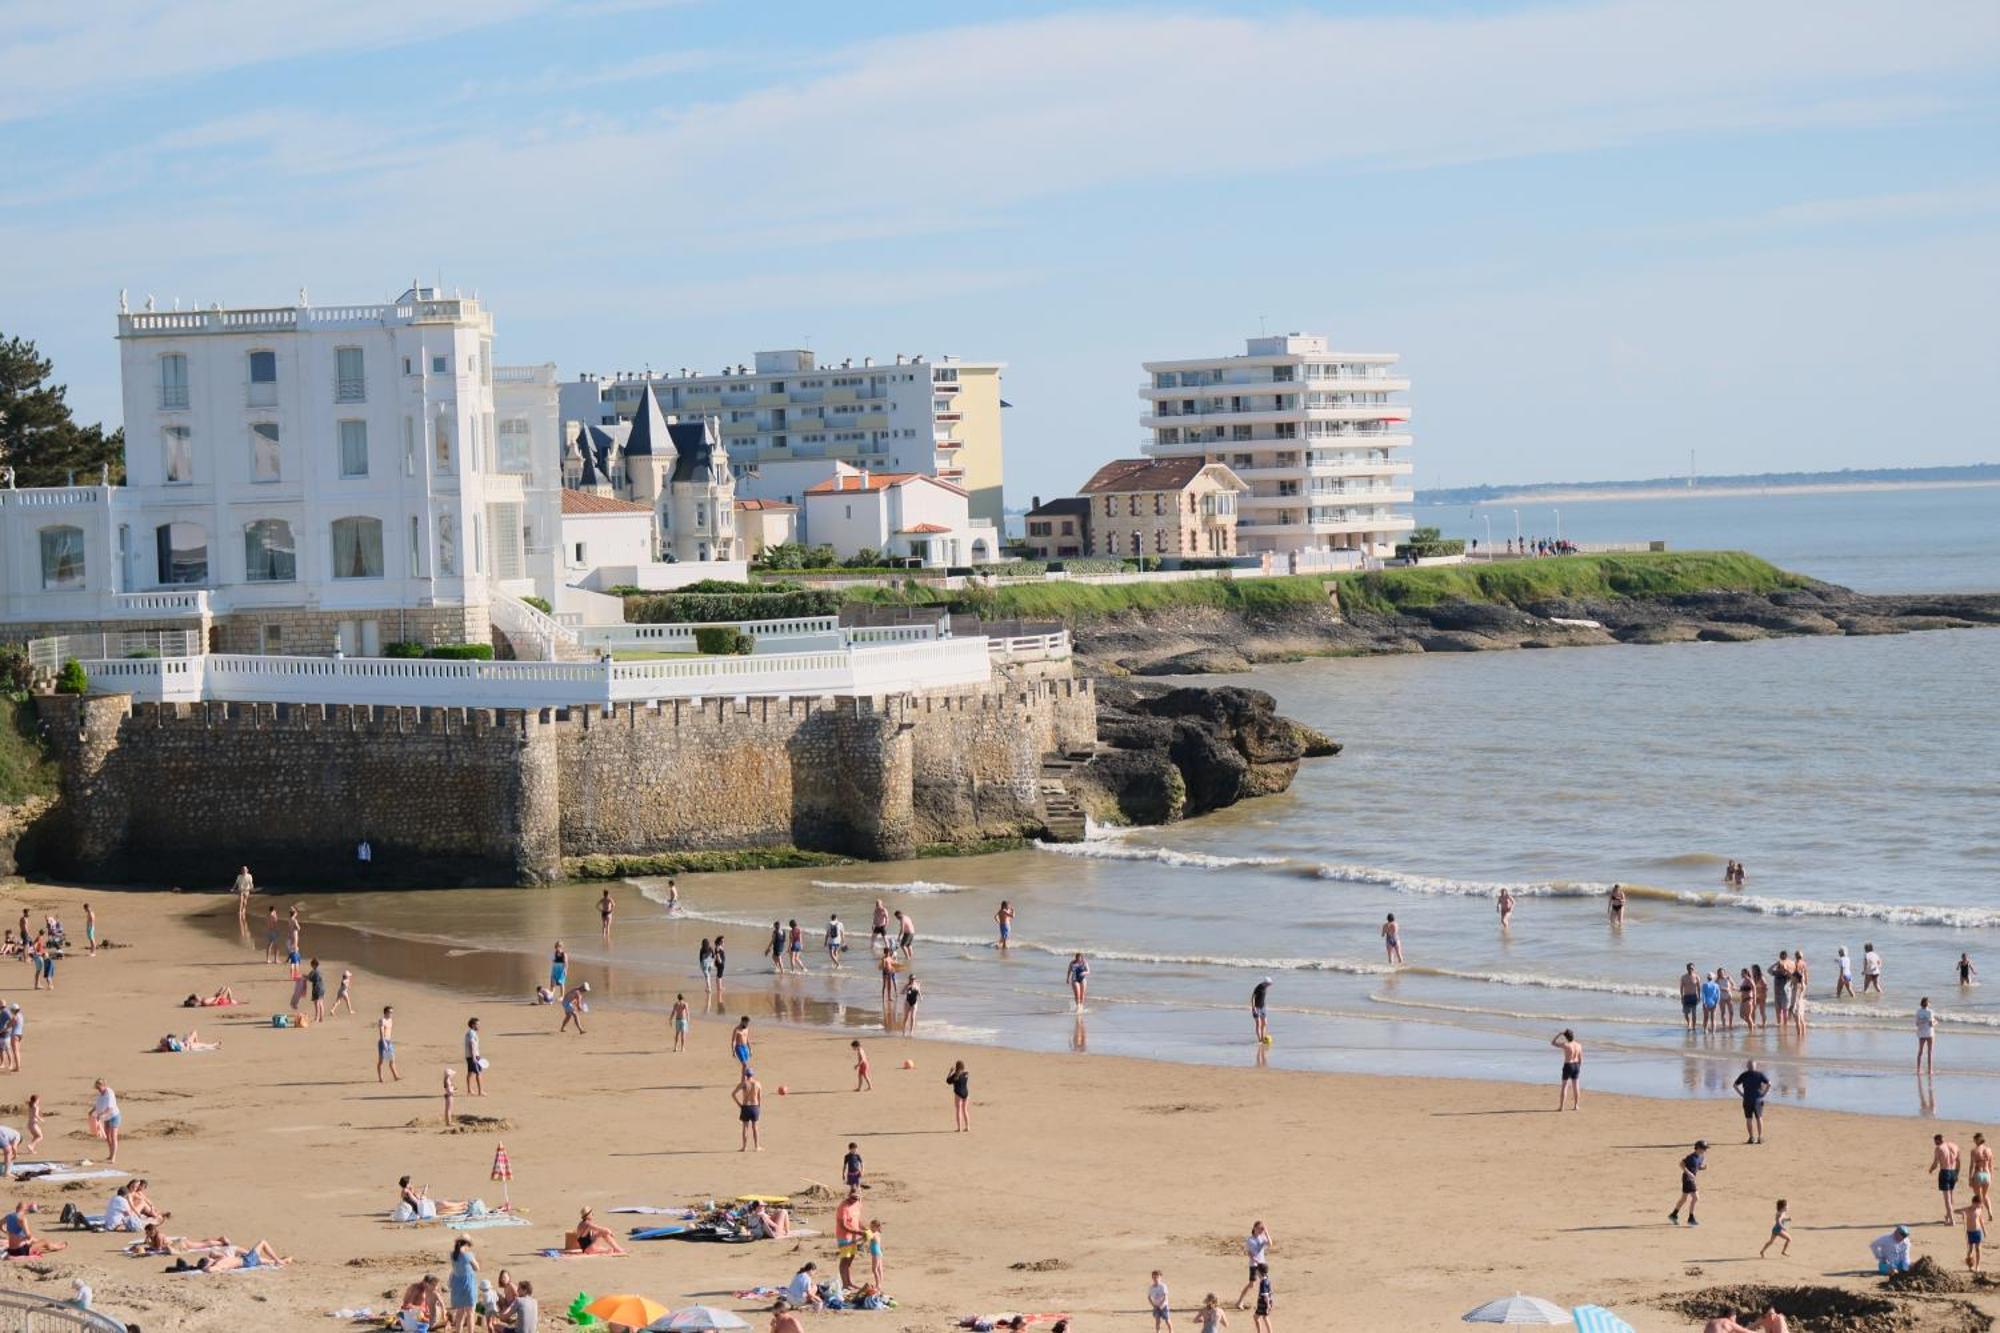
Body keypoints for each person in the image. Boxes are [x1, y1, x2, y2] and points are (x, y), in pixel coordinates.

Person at [1669, 1140, 1707, 1226]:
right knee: (1696, 1198)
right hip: (1687, 1179)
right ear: (1698, 1148)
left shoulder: (1701, 1157)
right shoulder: (1691, 1157)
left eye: (1705, 1149)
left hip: (1690, 1179)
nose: (1705, 1151)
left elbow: (1697, 1167)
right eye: (1703, 1149)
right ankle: (1691, 1218)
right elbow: (1681, 1164)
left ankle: (1673, 1215)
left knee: (1684, 1199)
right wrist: (1689, 1173)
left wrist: (1702, 1167)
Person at [1236, 1221, 1272, 1310]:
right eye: (1260, 1228)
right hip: (1254, 1265)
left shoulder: (1262, 1237)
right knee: (1252, 1284)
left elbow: (1270, 1244)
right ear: (1254, 1228)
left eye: (1262, 1228)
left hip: (1262, 1263)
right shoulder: (1250, 1240)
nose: (1261, 1230)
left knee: (1265, 1282)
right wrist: (1254, 1259)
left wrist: (1266, 1233)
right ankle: (1239, 1301)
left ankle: (1267, 1302)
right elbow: (1249, 1252)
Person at [1734, 1059, 1771, 1143]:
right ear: (1755, 1066)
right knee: (1759, 1118)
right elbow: (1769, 1084)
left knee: (1749, 1118)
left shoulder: (1744, 1075)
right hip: (1757, 1099)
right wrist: (1764, 1093)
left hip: (1747, 1099)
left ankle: (1751, 1137)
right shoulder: (1760, 1074)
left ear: (1747, 1066)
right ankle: (1760, 1137)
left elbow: (1735, 1085)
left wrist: (1741, 1094)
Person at [447, 1236, 479, 1332]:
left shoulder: (452, 1254)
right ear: (466, 1244)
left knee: (460, 1314)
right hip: (468, 1284)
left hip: (457, 1285)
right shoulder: (468, 1255)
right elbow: (477, 1268)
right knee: (470, 1313)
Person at [835, 1188, 865, 1288]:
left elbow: (857, 1219)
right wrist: (858, 1232)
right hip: (844, 1237)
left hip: (854, 1237)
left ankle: (849, 1282)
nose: (854, 1200)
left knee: (851, 1258)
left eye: (856, 1198)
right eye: (852, 1198)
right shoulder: (843, 1207)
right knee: (845, 1259)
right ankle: (845, 1284)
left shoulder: (858, 1204)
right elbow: (843, 1225)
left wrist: (865, 1229)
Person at [89, 1079, 121, 1162]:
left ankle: (113, 1157)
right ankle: (110, 1155)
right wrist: (92, 1111)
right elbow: (98, 1105)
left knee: (113, 1136)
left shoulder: (109, 1094)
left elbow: (110, 1109)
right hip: (107, 1118)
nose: (98, 1090)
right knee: (108, 1137)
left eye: (99, 1088)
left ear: (104, 1086)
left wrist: (101, 1115)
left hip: (114, 1116)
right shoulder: (100, 1095)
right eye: (97, 1088)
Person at [1933, 1133, 1962, 1224]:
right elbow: (1959, 1161)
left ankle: (1952, 1220)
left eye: (1935, 1141)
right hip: (1953, 1171)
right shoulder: (1954, 1146)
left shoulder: (1939, 1148)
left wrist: (1930, 1169)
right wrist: (1957, 1173)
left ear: (1938, 1140)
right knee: (1951, 1195)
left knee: (1947, 1198)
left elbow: (1935, 1163)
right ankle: (1948, 1216)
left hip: (1945, 1172)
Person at [1551, 1029, 1582, 1111]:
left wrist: (1559, 1034)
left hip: (1568, 1065)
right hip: (1576, 1065)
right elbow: (1580, 1058)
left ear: (1566, 1037)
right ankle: (1576, 1106)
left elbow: (1553, 1042)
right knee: (1576, 1086)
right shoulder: (1579, 1045)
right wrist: (1579, 1067)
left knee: (1565, 1086)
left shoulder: (1566, 1045)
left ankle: (1561, 1107)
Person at [735, 1070, 764, 1151]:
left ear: (746, 1075)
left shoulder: (744, 1083)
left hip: (745, 1106)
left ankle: (744, 1147)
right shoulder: (757, 1084)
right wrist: (759, 1107)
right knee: (755, 1127)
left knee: (745, 1127)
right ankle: (757, 1146)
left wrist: (739, 1104)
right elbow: (759, 1097)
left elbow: (733, 1094)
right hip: (755, 1106)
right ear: (753, 1075)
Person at [1960, 1198, 1989, 1272]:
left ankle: (1978, 1266)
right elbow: (1955, 1211)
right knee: (1970, 1250)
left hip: (1978, 1231)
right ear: (1973, 1203)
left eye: (1979, 1204)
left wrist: (1984, 1230)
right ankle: (1970, 1265)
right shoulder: (1967, 1209)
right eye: (1977, 1204)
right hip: (1970, 1232)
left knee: (1978, 1249)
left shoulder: (1979, 1210)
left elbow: (1981, 1220)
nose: (1978, 1206)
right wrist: (1962, 1213)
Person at [947, 1059, 971, 1132]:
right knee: (965, 1110)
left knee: (958, 1110)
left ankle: (959, 1128)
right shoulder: (966, 1074)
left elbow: (948, 1081)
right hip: (966, 1094)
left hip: (958, 1094)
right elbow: (965, 1073)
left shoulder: (955, 1075)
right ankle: (967, 1127)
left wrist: (950, 1072)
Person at [378, 1006, 401, 1082]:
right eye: (390, 1012)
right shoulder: (382, 1020)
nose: (391, 1014)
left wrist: (389, 1041)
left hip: (389, 1042)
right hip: (383, 1042)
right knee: (381, 1061)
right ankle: (380, 1078)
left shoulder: (390, 1020)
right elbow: (381, 1031)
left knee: (392, 1059)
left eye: (392, 1012)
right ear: (386, 1012)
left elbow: (389, 1031)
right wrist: (384, 1042)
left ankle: (396, 1076)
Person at [1971, 1132, 1993, 1208]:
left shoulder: (1974, 1150)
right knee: (1985, 1195)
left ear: (1977, 1140)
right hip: (1987, 1174)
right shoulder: (1989, 1150)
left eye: (1975, 1140)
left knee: (1978, 1196)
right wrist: (1991, 1176)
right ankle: (1990, 1212)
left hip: (1978, 1174)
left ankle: (1980, 1213)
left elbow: (1972, 1166)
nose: (1974, 1142)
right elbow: (1991, 1165)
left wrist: (1970, 1178)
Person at [464, 1017, 485, 1096]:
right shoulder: (472, 1033)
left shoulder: (470, 1032)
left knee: (470, 1073)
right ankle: (480, 1091)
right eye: (477, 1024)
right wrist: (474, 1057)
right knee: (478, 1073)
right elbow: (472, 1045)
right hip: (473, 1056)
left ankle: (469, 1090)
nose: (479, 1026)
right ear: (473, 1025)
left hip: (471, 1055)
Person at [1678, 963, 1702, 1031]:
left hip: (1694, 996)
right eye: (1689, 968)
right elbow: (1681, 987)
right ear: (1687, 968)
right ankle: (1689, 1023)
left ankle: (1693, 1026)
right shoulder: (1683, 977)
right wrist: (1682, 997)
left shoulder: (1697, 977)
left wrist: (1699, 997)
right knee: (1686, 1013)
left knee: (1694, 1013)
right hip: (1686, 996)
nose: (1690, 969)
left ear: (1694, 969)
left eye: (1692, 968)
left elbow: (1699, 988)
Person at [1917, 996, 1937, 1076]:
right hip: (1929, 1033)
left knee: (1920, 1051)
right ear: (1928, 1003)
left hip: (1921, 1033)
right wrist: (1936, 1022)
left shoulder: (1918, 1011)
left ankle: (1918, 1069)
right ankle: (1930, 1070)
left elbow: (1917, 1023)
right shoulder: (1930, 1012)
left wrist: (1923, 1021)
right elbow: (1931, 1024)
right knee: (1929, 1052)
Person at [1252, 978, 1272, 1045]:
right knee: (1259, 1024)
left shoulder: (1265, 987)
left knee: (1265, 1023)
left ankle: (1263, 1038)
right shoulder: (1259, 987)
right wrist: (1253, 1007)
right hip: (1256, 1008)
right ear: (1265, 982)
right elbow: (1253, 997)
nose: (1270, 985)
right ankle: (1260, 1040)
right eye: (1269, 984)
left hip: (1263, 1008)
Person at [867, 1219, 886, 1289]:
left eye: (872, 1227)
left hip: (876, 1253)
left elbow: (865, 1238)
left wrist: (855, 1241)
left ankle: (878, 1284)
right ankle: (880, 1283)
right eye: (870, 1226)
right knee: (879, 1269)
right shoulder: (878, 1233)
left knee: (874, 1269)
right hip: (879, 1253)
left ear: (876, 1227)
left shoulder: (873, 1234)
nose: (870, 1228)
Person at [306, 958, 326, 1023]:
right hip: (322, 988)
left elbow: (310, 978)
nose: (311, 966)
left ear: (314, 965)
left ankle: (317, 1018)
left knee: (316, 1003)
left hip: (317, 988)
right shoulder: (320, 971)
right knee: (321, 1003)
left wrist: (304, 976)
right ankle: (321, 1018)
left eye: (311, 965)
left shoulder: (314, 971)